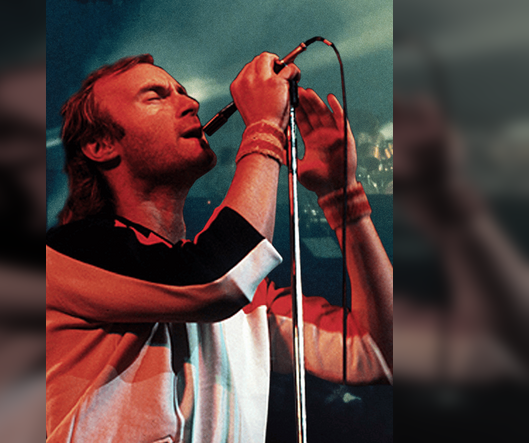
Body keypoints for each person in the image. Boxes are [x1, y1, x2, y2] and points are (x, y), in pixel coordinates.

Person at [46, 52, 393, 443]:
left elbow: (378, 352)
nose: (191, 103)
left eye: (183, 92)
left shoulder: (248, 299)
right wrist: (263, 129)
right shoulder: (66, 255)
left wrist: (342, 196)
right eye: (156, 96)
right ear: (100, 144)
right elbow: (214, 281)